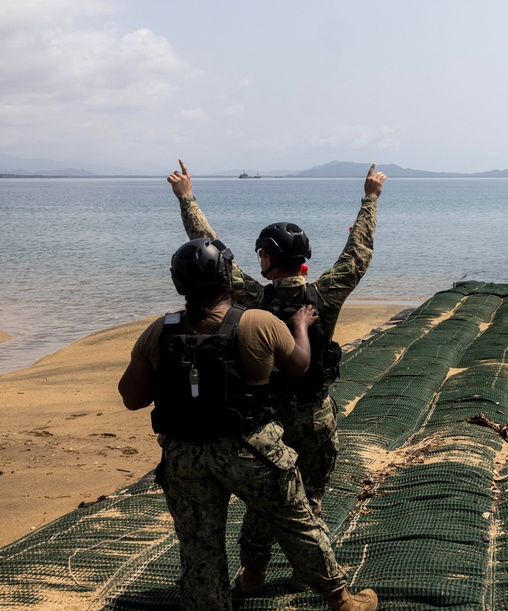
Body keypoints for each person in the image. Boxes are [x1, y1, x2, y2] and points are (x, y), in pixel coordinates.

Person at [118, 238, 377, 610]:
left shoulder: (160, 331)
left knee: (199, 544)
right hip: (251, 448)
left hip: (184, 456)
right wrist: (301, 325)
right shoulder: (256, 322)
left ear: (179, 284)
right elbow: (300, 365)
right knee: (296, 521)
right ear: (228, 279)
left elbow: (131, 398)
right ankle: (343, 601)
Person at [167, 160, 386, 591]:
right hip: (316, 413)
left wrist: (186, 198)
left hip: (270, 420)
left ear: (269, 257)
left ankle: (253, 572)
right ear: (302, 258)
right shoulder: (325, 295)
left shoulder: (252, 297)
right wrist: (370, 199)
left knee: (267, 501)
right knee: (310, 501)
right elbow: (358, 252)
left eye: (261, 253)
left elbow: (211, 249)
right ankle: (309, 574)